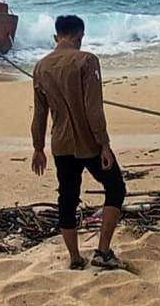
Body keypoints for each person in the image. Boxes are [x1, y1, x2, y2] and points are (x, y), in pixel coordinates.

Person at [31, 15, 127, 270]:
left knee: (68, 197)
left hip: (60, 143)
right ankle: (103, 250)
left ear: (56, 37)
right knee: (116, 188)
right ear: (79, 36)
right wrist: (104, 144)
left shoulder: (40, 67)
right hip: (88, 142)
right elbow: (93, 108)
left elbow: (39, 113)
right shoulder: (87, 60)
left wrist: (37, 147)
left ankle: (74, 257)